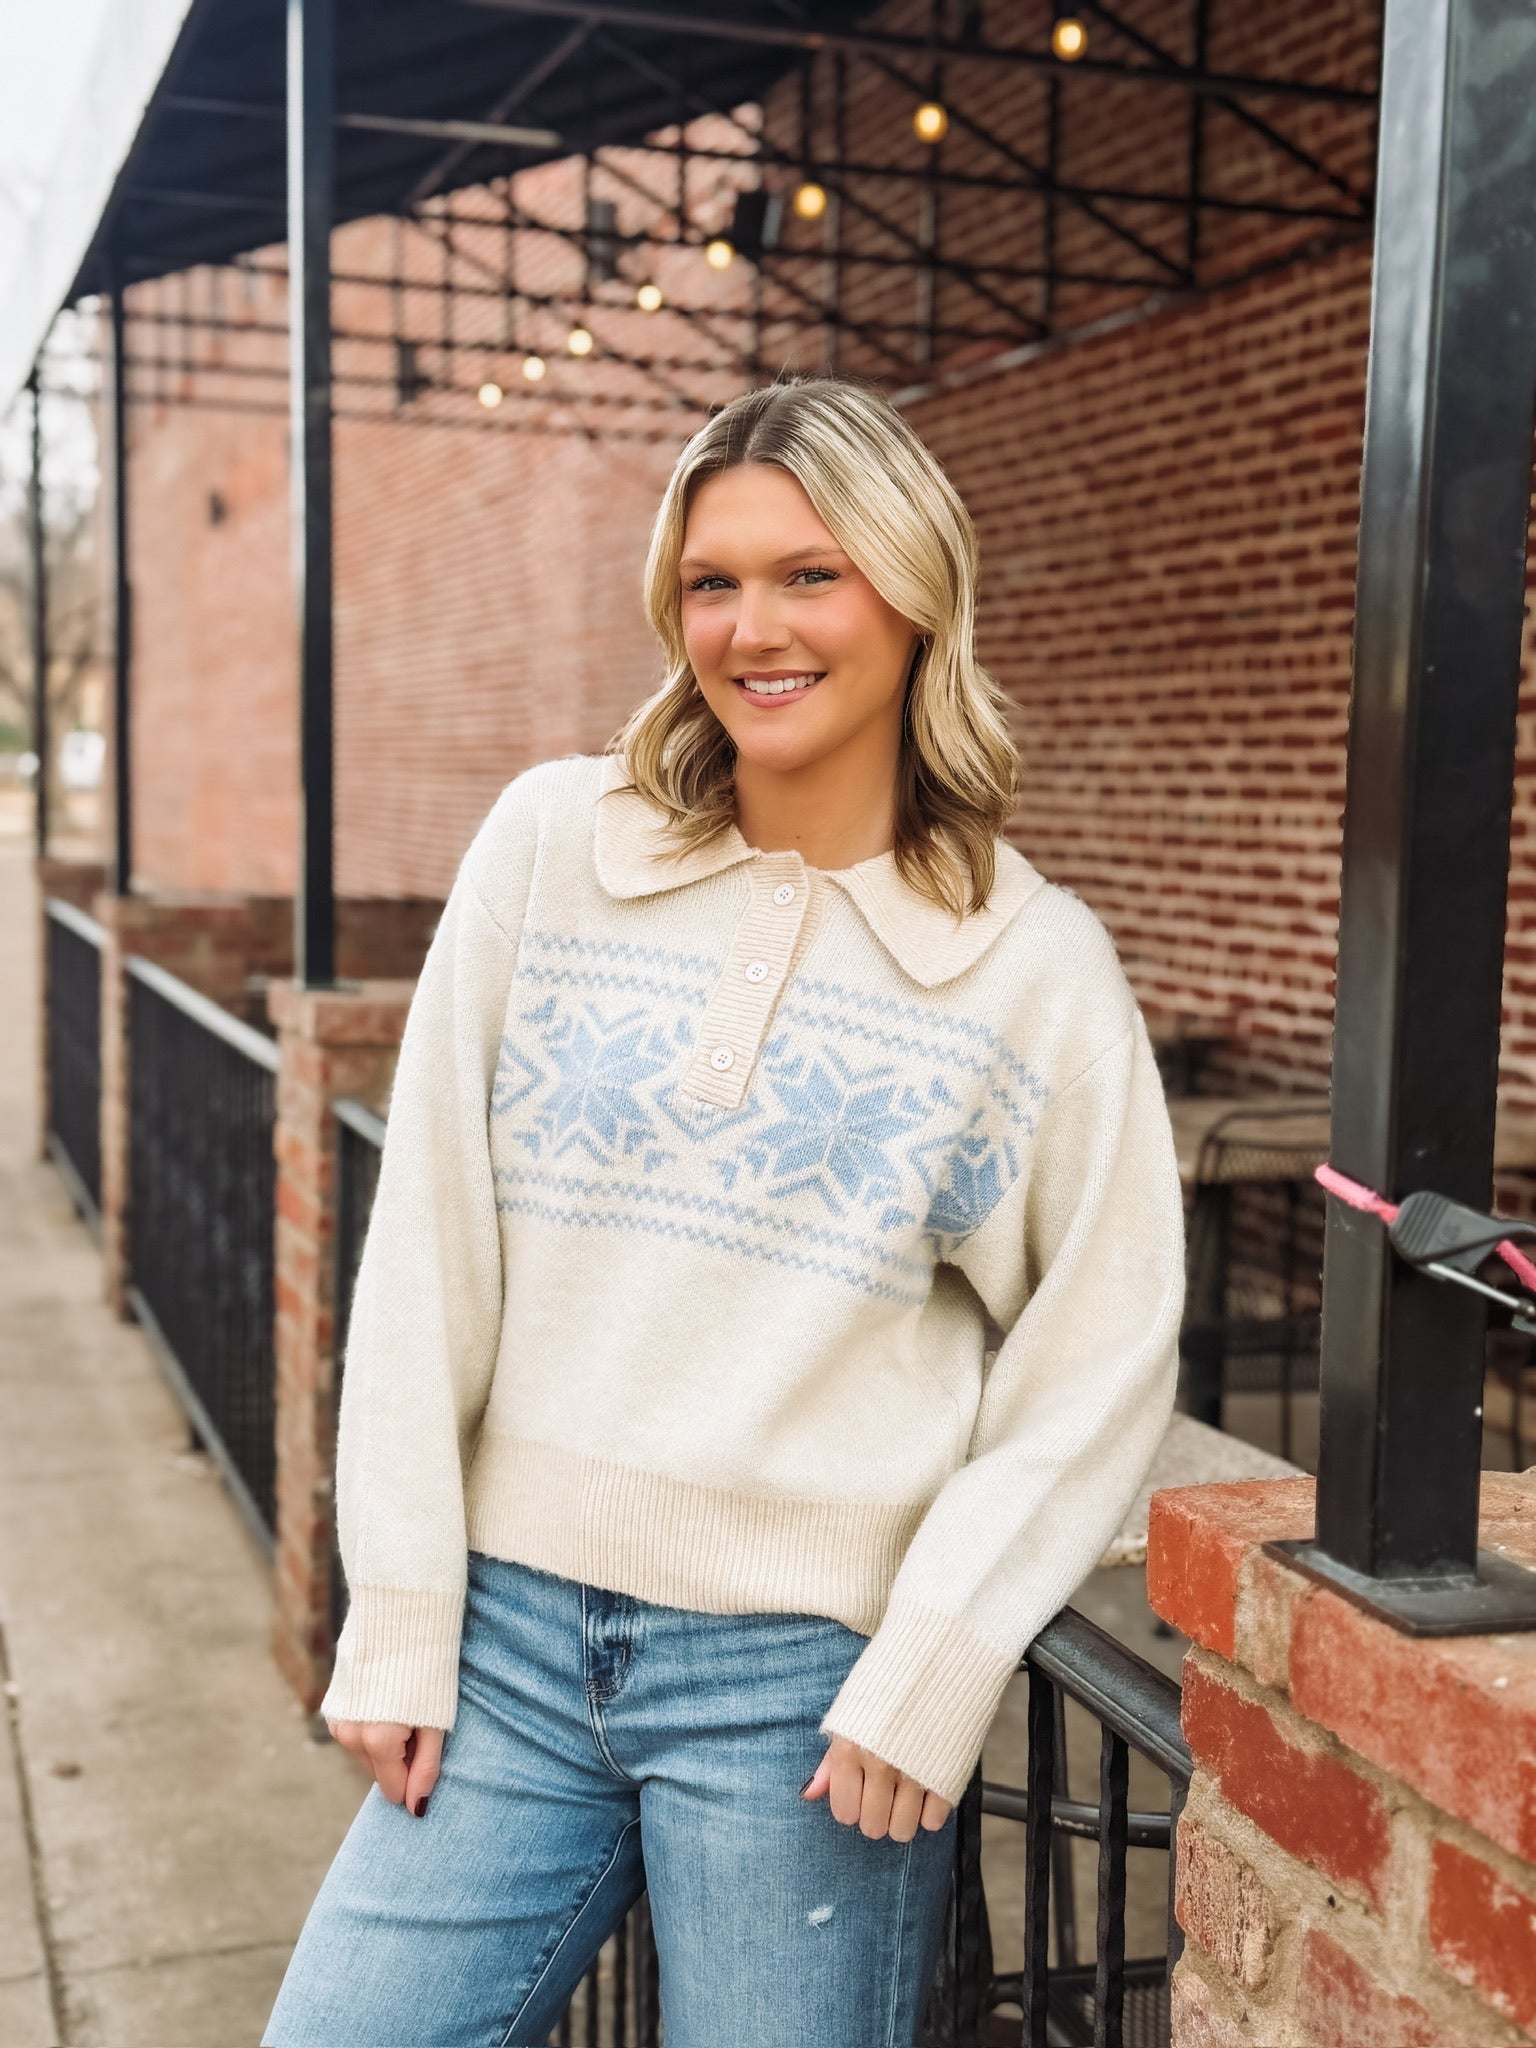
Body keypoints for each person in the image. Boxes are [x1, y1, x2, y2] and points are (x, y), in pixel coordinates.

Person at [261, 375, 1185, 2048]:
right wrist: (398, 1611)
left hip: (798, 1704)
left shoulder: (1028, 970)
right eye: (712, 582)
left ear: (914, 593)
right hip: (507, 1649)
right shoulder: (553, 846)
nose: (753, 627)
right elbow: (426, 1259)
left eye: (809, 574)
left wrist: (943, 1653)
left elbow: (1101, 1352)